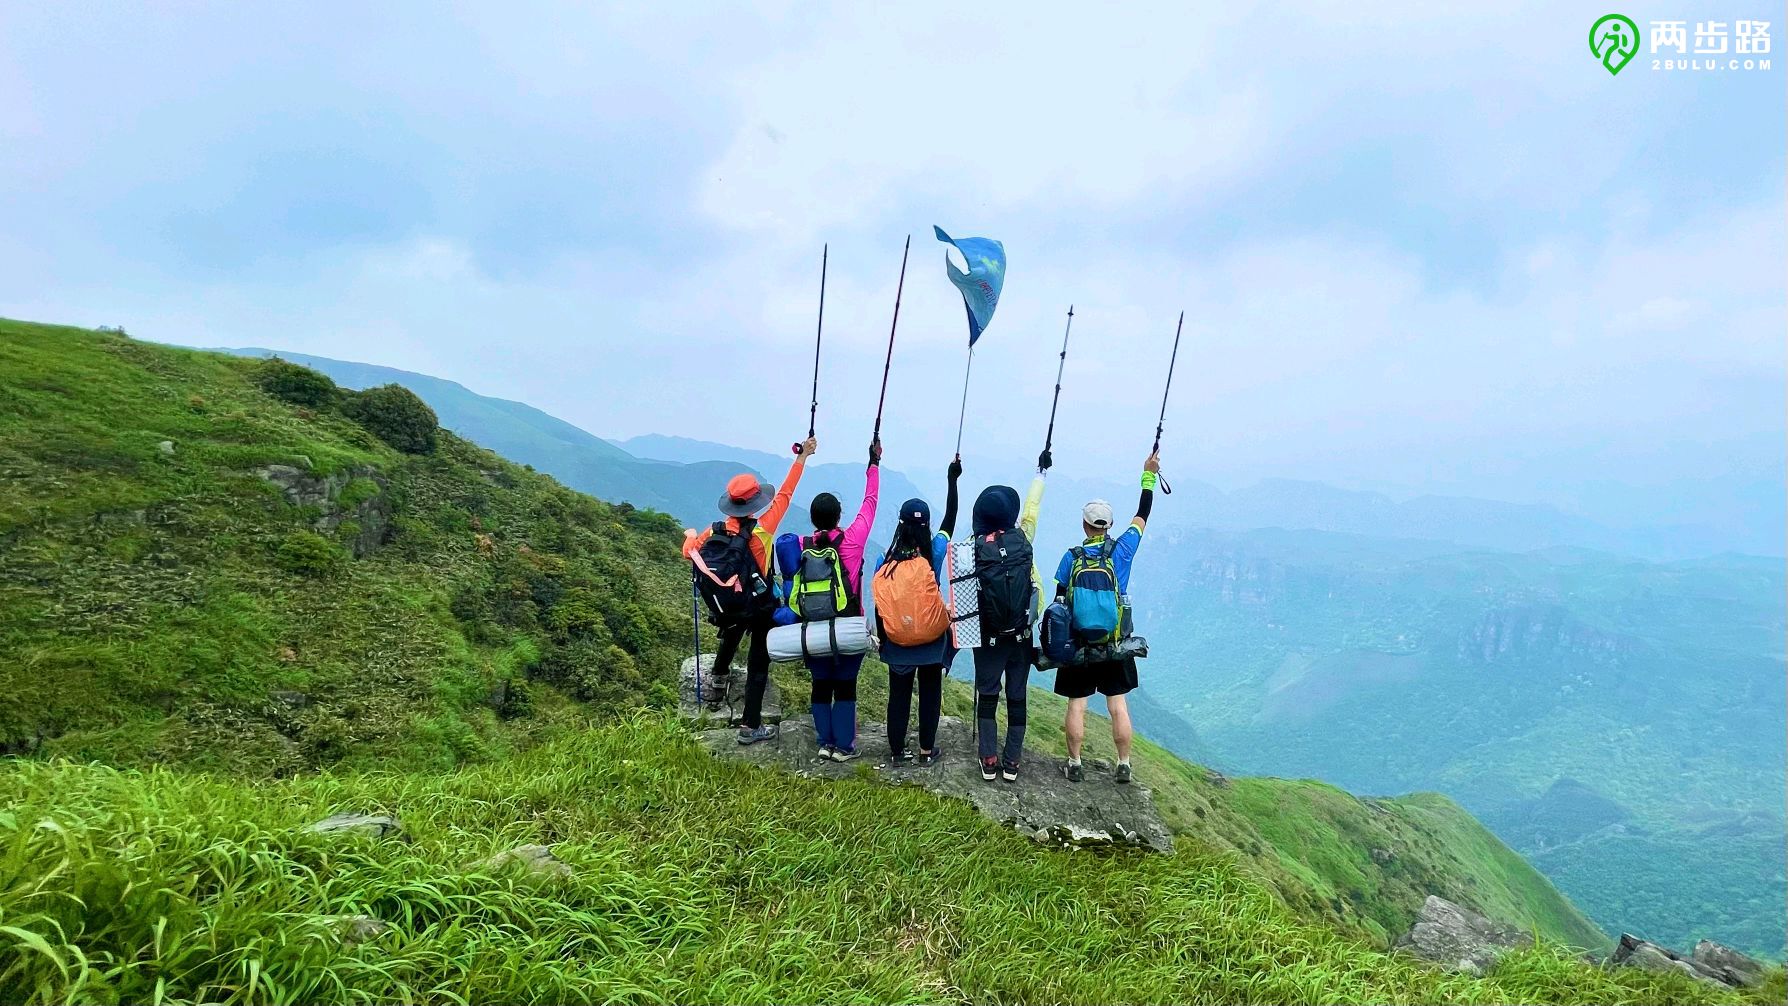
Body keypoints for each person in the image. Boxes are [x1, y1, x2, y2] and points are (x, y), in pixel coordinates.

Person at [684, 436, 815, 744]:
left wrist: (689, 537)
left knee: (730, 632)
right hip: (759, 605)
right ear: (756, 502)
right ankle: (750, 726)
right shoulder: (763, 530)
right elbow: (786, 492)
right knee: (759, 662)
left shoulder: (714, 531)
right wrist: (802, 458)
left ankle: (718, 677)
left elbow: (690, 551)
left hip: (728, 605)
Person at [1055, 452, 1160, 784]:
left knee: (1077, 704)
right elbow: (1143, 514)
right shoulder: (1123, 550)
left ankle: (1074, 762)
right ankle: (1124, 763)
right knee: (1118, 705)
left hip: (1080, 642)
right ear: (1110, 526)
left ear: (1085, 525)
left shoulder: (1071, 557)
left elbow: (1060, 602)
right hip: (1114, 642)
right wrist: (1148, 475)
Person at [866, 458, 962, 766]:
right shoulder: (933, 551)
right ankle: (925, 751)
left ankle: (896, 752)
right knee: (930, 693)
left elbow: (883, 601)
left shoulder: (886, 558)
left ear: (900, 524)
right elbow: (951, 519)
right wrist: (953, 480)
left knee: (899, 695)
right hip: (931, 639)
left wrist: (883, 638)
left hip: (897, 640)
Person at [795, 437, 881, 761]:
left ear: (814, 519)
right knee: (845, 685)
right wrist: (874, 464)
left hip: (813, 627)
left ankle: (823, 741)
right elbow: (870, 502)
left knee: (821, 683)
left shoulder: (804, 546)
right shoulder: (853, 540)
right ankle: (843, 747)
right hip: (847, 625)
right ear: (838, 516)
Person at [968, 456, 1046, 783]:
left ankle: (988, 759)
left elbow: (965, 598)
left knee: (988, 695)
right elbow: (1031, 510)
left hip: (988, 637)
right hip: (1021, 635)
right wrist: (1040, 475)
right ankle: (1012, 763)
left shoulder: (972, 549)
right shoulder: (1023, 538)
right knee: (1017, 694)